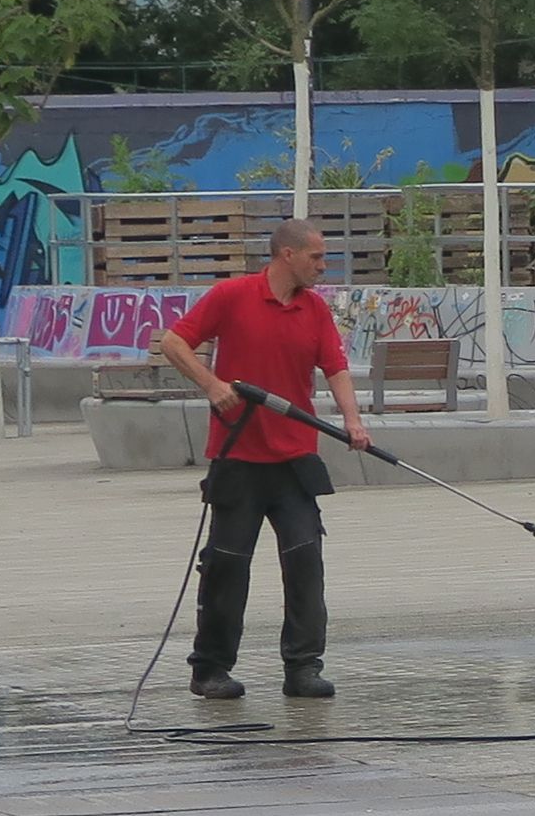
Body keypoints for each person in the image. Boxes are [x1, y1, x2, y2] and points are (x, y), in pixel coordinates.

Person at [147, 218, 375, 703]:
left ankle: (303, 668)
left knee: (305, 562)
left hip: (295, 459)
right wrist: (213, 386)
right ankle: (210, 669)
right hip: (239, 458)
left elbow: (335, 367)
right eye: (316, 256)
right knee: (227, 567)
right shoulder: (232, 296)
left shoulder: (314, 310)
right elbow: (172, 341)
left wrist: (354, 421)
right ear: (286, 255)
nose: (323, 266)